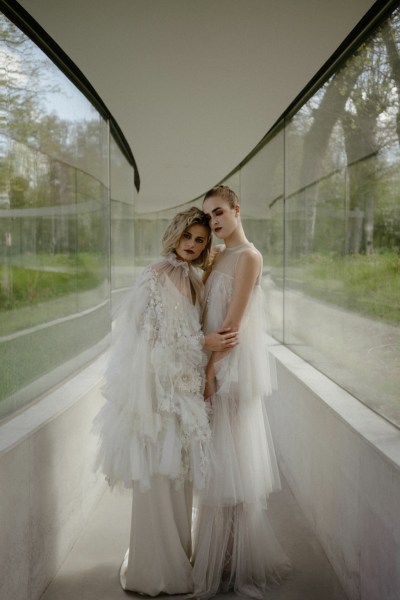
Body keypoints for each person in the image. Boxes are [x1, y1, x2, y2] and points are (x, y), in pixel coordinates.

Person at [93, 206, 238, 596]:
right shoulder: (154, 275)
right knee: (158, 477)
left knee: (180, 479)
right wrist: (203, 343)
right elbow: (150, 341)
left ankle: (178, 556)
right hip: (157, 395)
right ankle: (152, 568)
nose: (191, 245)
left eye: (200, 241)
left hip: (185, 389)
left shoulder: (193, 279)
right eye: (187, 236)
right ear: (175, 233)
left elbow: (191, 325)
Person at [192, 185, 292, 599]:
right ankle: (217, 555)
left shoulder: (249, 257)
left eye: (218, 213)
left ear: (236, 209)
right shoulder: (217, 256)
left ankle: (229, 561)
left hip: (229, 372)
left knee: (228, 464)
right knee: (219, 463)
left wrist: (212, 372)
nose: (213, 223)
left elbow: (231, 328)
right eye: (208, 217)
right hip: (213, 364)